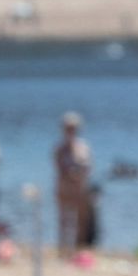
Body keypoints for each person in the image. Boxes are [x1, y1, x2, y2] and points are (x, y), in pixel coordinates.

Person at [53, 110, 93, 257]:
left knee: (81, 222)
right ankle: (62, 251)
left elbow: (88, 168)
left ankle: (78, 251)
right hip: (64, 189)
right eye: (67, 127)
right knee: (63, 221)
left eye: (73, 128)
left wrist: (77, 174)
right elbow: (58, 167)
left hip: (80, 189)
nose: (70, 130)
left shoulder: (83, 147)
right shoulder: (59, 148)